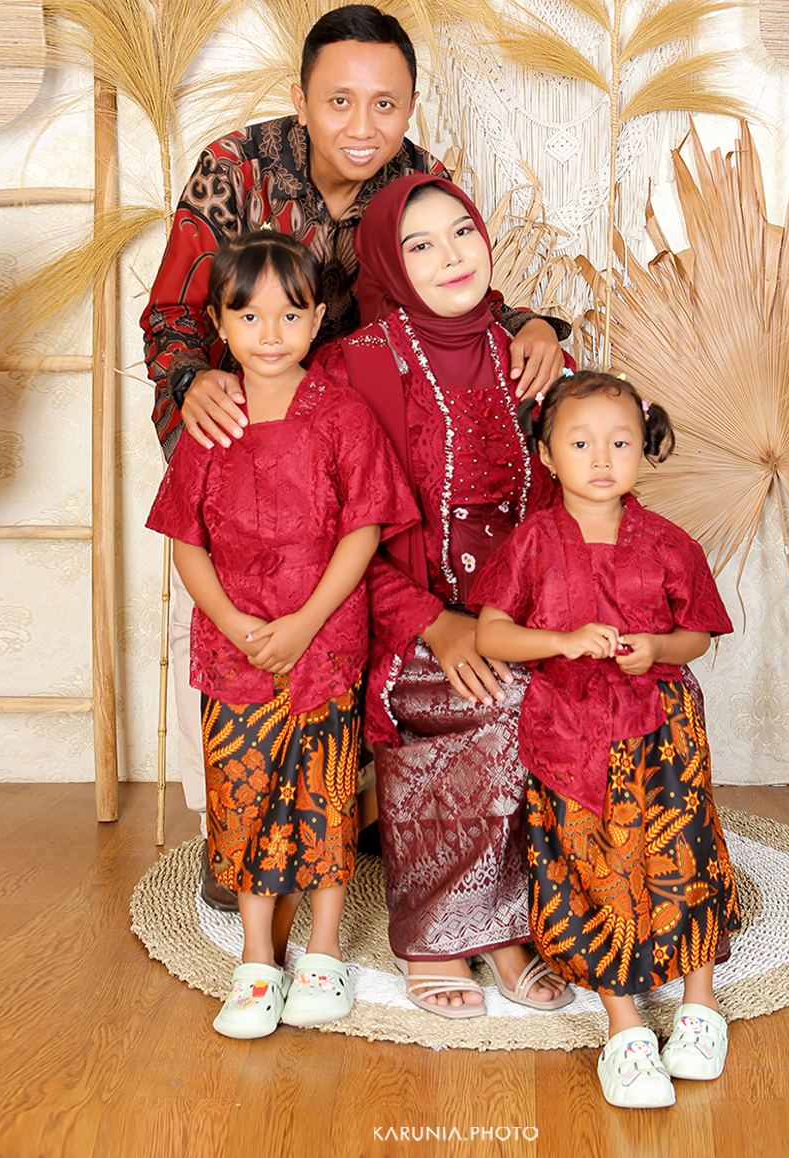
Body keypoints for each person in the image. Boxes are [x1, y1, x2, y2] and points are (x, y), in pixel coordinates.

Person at [142, 5, 569, 907]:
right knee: (231, 623)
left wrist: (533, 322)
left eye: (386, 103)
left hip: (358, 431)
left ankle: (354, 809)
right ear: (302, 99)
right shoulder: (233, 170)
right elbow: (173, 314)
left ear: (410, 105)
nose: (363, 125)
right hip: (239, 425)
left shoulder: (418, 180)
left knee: (349, 611)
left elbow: (453, 288)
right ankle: (234, 826)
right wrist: (191, 382)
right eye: (339, 101)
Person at [146, 233, 420, 1039]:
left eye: (291, 315)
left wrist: (304, 623)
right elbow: (186, 541)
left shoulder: (341, 414)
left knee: (324, 796)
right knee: (244, 796)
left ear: (318, 317)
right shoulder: (211, 420)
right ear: (219, 325)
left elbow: (363, 529)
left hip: (323, 642)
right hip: (233, 651)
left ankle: (325, 952)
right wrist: (233, 621)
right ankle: (256, 959)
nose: (271, 334)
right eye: (249, 316)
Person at [315, 175, 574, 1016]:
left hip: (526, 615)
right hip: (405, 618)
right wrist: (435, 623)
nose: (451, 256)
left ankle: (540, 918)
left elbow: (577, 498)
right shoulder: (353, 367)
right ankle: (454, 934)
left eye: (462, 232)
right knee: (487, 694)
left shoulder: (533, 356)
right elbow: (333, 534)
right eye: (419, 245)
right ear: (390, 264)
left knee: (593, 687)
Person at [472, 371, 740, 1106]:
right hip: (569, 731)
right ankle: (624, 1026)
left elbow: (698, 635)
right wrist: (559, 639)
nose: (601, 458)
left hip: (662, 728)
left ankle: (700, 1005)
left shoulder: (669, 542)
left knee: (681, 849)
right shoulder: (533, 542)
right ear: (547, 454)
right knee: (589, 861)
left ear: (644, 448)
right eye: (581, 443)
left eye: (620, 443)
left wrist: (658, 648)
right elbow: (493, 633)